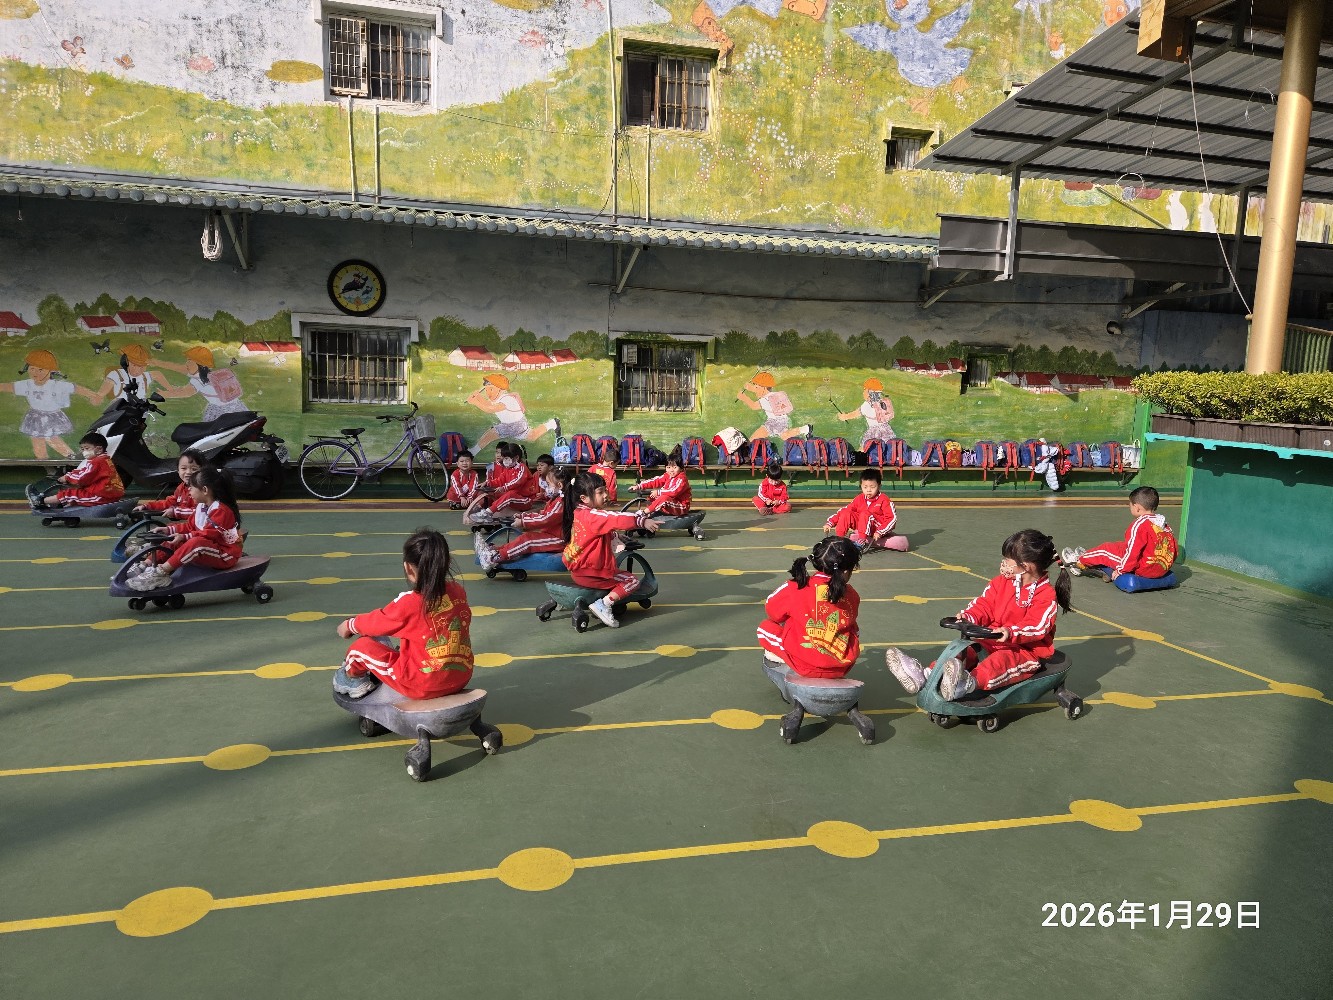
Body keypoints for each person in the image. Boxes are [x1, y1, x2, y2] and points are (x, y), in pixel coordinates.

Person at [884, 529, 1072, 701]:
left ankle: (966, 683)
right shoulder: (1001, 582)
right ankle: (925, 675)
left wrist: (1010, 632)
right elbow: (985, 604)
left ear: (1026, 566)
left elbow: (1037, 626)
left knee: (1000, 662)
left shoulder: (1045, 595)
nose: (1004, 563)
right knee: (964, 651)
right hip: (991, 639)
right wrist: (969, 617)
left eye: (1008, 560)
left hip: (1025, 650)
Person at [331, 527, 475, 701]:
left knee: (359, 649)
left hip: (421, 685)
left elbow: (378, 621)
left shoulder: (410, 603)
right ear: (447, 562)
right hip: (461, 677)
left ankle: (353, 680)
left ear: (408, 568)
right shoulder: (458, 591)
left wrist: (349, 625)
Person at [757, 536, 873, 742]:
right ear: (847, 571)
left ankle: (786, 670)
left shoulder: (796, 587)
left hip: (804, 664)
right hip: (840, 668)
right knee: (853, 629)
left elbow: (772, 610)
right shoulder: (852, 595)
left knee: (765, 628)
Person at [562, 470, 661, 629]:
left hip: (578, 571)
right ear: (584, 498)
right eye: (600, 492)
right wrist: (642, 521)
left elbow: (595, 533)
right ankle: (604, 604)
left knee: (618, 572)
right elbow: (615, 518)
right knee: (632, 580)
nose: (606, 495)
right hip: (593, 574)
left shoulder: (578, 512)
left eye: (605, 490)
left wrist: (617, 536)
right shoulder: (593, 515)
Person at [126, 466, 243, 591]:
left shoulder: (221, 510)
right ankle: (147, 564)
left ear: (204, 490)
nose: (189, 490)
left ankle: (161, 573)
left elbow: (209, 534)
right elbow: (190, 527)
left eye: (191, 487)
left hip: (225, 555)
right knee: (173, 538)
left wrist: (184, 536)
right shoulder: (202, 507)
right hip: (211, 548)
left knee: (196, 543)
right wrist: (169, 530)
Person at [1063, 486, 1177, 580]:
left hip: (1144, 569)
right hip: (1162, 568)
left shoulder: (1140, 524)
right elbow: (1174, 550)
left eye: (1130, 505)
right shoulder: (1164, 524)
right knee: (1120, 545)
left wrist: (1121, 570)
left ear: (1137, 508)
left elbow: (1132, 553)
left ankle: (1079, 561)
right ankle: (1090, 554)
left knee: (1105, 550)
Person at [1, 349, 97, 459]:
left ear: (50, 370)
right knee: (37, 441)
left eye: (40, 369)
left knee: (52, 439)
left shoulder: (56, 385)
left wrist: (93, 395)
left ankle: (72, 457)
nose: (35, 372)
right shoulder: (27, 384)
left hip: (52, 417)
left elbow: (76, 388)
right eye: (32, 368)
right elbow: (9, 386)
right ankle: (43, 462)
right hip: (35, 417)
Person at [474, 466, 569, 571]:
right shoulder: (556, 500)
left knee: (528, 541)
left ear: (559, 485)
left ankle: (494, 558)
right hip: (550, 534)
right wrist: (523, 516)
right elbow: (542, 514)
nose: (546, 487)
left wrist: (523, 522)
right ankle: (495, 550)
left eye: (549, 484)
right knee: (525, 537)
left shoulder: (561, 503)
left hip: (559, 540)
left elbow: (545, 519)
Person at [466, 372, 559, 450]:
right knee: (532, 436)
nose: (488, 393)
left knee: (491, 434)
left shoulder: (506, 399)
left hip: (514, 425)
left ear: (500, 389)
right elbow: (488, 404)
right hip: (518, 424)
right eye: (486, 390)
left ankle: (473, 451)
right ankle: (552, 423)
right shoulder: (497, 399)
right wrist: (478, 397)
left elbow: (490, 409)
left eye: (491, 389)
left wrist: (475, 402)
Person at [824, 468, 908, 551]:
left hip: (877, 528)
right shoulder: (859, 498)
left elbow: (892, 519)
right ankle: (839, 540)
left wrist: (880, 531)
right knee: (846, 512)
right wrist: (830, 523)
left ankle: (861, 542)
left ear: (879, 486)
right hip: (863, 526)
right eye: (865, 487)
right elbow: (844, 510)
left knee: (865, 513)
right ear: (861, 486)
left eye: (872, 487)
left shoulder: (884, 500)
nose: (868, 490)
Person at [154, 346, 248, 420]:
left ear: (199, 364)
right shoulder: (210, 375)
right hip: (237, 406)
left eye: (190, 361)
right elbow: (179, 370)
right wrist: (157, 363)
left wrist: (163, 394)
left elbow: (185, 393)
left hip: (222, 411)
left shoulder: (198, 380)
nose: (186, 364)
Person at [40, 432, 125, 508]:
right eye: (83, 449)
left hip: (101, 496)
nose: (84, 452)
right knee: (76, 493)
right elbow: (85, 471)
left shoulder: (97, 462)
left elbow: (82, 477)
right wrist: (71, 474)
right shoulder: (105, 459)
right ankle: (67, 506)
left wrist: (67, 477)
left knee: (68, 494)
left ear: (99, 449)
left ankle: (41, 501)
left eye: (87, 448)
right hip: (109, 494)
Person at [736, 371, 811, 442]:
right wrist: (750, 388)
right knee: (784, 435)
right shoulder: (773, 395)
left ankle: (749, 449)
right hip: (783, 420)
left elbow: (754, 406)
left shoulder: (766, 400)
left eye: (756, 387)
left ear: (764, 388)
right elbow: (758, 389)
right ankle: (805, 429)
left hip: (773, 422)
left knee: (754, 438)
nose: (755, 391)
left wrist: (743, 397)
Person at [836, 377, 895, 451]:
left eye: (865, 389)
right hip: (887, 430)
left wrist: (844, 417)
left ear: (869, 392)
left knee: (863, 450)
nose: (863, 392)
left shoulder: (867, 405)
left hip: (874, 432)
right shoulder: (883, 402)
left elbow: (856, 413)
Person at [632, 447, 692, 517]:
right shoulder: (667, 475)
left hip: (681, 506)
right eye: (668, 467)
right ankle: (650, 514)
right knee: (651, 497)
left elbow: (673, 492)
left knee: (663, 499)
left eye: (675, 467)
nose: (671, 470)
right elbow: (655, 480)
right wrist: (639, 486)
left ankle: (644, 513)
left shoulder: (682, 479)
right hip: (671, 503)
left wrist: (658, 492)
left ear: (681, 468)